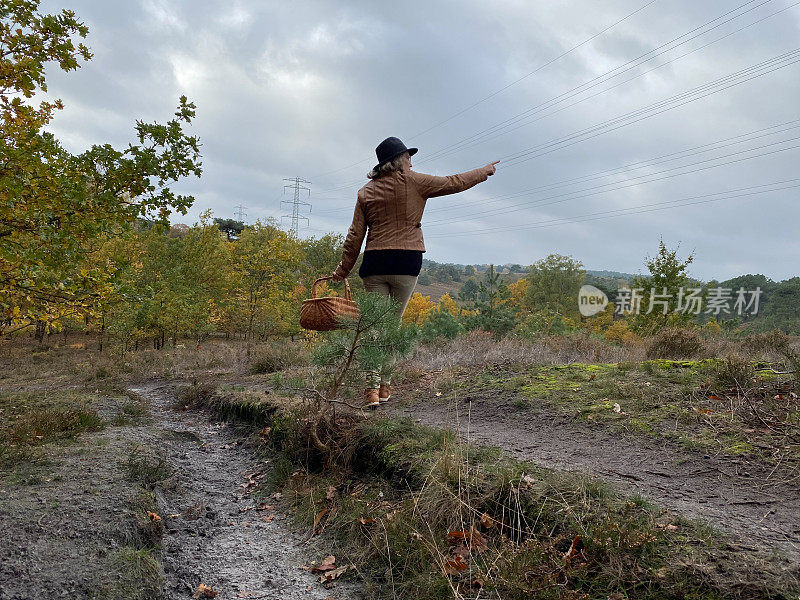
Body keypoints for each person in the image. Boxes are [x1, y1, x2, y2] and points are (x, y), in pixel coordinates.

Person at [331, 136, 499, 408]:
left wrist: (342, 270)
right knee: (392, 328)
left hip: (374, 264)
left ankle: (371, 391)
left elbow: (355, 236)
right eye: (408, 157)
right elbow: (453, 182)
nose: (411, 161)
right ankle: (384, 387)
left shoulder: (365, 192)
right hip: (406, 263)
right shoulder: (415, 182)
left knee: (374, 328)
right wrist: (484, 171)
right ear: (398, 161)